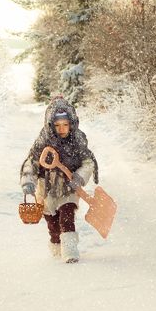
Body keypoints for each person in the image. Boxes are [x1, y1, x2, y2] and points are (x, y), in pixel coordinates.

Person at [19, 96, 98, 263]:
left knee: (66, 217)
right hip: (46, 190)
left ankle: (70, 252)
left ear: (72, 123)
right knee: (53, 225)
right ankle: (56, 247)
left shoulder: (77, 140)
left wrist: (78, 177)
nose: (61, 129)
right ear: (50, 125)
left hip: (68, 188)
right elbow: (31, 162)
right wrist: (28, 181)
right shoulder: (43, 141)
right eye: (57, 125)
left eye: (65, 125)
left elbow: (88, 162)